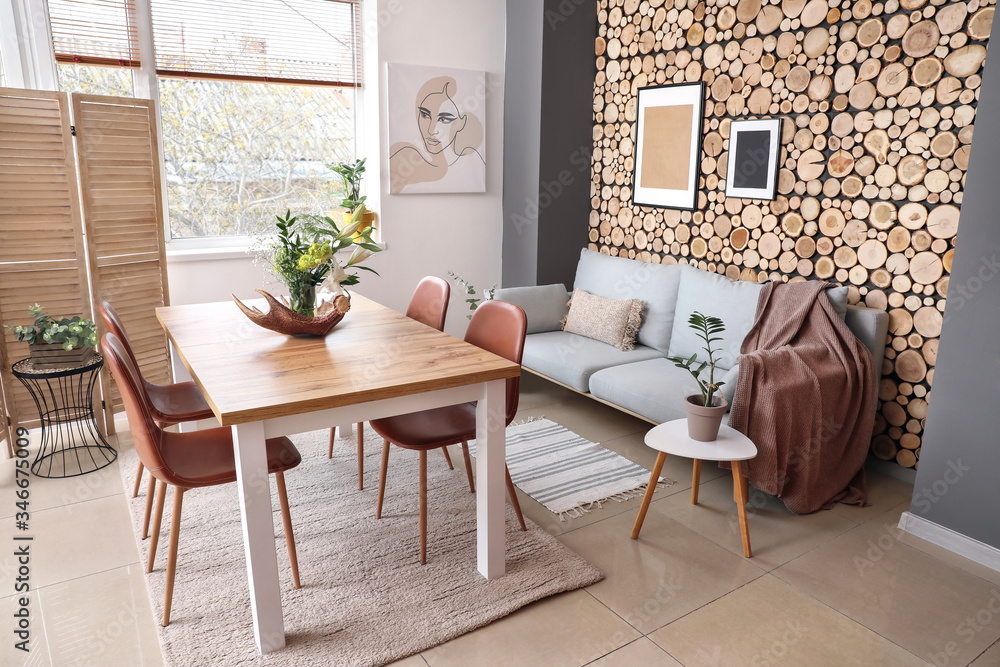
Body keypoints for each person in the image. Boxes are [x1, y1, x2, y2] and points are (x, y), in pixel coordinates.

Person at [389, 75, 485, 193]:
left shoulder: (476, 164)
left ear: (461, 122)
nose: (431, 129)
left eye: (443, 119)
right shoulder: (404, 156)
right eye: (425, 115)